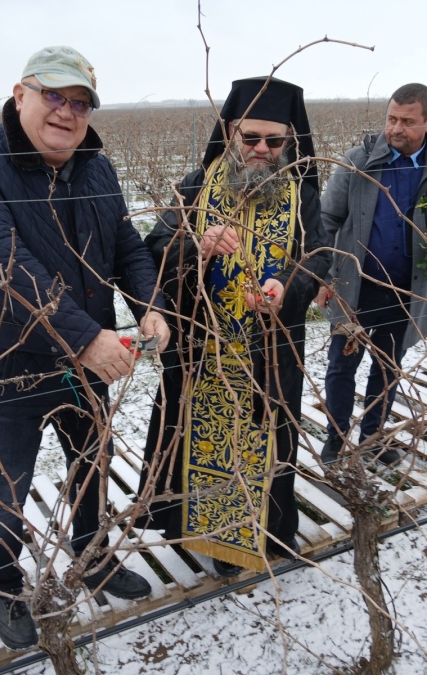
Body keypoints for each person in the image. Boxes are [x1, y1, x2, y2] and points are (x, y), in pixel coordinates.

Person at [0, 46, 170, 650]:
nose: (68, 113)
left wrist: (149, 303)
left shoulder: (96, 166)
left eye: (80, 103)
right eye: (55, 97)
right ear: (21, 94)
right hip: (8, 365)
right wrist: (86, 336)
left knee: (92, 463)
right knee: (6, 483)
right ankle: (6, 585)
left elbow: (125, 243)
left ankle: (91, 557)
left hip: (82, 361)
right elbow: (6, 267)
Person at [138, 77, 331, 577]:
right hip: (204, 351)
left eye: (274, 141)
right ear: (230, 132)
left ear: (290, 140)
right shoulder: (196, 187)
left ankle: (266, 532)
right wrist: (197, 243)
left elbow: (317, 257)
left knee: (269, 437)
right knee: (200, 439)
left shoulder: (302, 193)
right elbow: (154, 250)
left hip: (271, 350)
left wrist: (286, 287)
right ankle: (214, 539)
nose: (262, 150)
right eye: (251, 139)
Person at [316, 83, 427, 466]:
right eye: (391, 118)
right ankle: (335, 438)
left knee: (388, 367)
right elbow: (327, 221)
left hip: (405, 290)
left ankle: (374, 438)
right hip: (354, 288)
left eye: (407, 121)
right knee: (341, 365)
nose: (396, 128)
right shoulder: (358, 161)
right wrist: (322, 275)